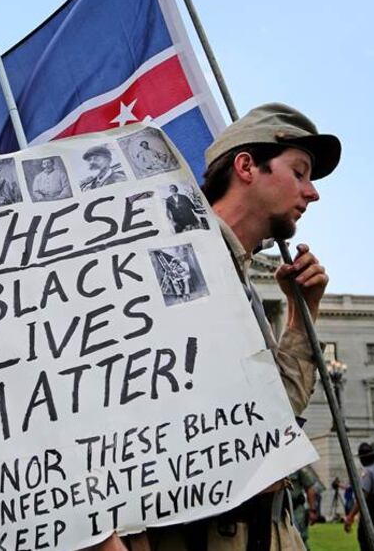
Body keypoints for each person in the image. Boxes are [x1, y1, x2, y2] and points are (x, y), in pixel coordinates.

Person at [102, 102, 340, 551]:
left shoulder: (242, 280)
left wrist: (300, 312)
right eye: (299, 172)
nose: (312, 193)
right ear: (247, 167)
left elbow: (277, 411)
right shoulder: (166, 260)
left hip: (265, 532)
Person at [344, 443, 374, 551]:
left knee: (366, 544)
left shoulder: (367, 472)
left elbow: (362, 497)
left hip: (373, 515)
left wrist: (350, 516)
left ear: (363, 459)